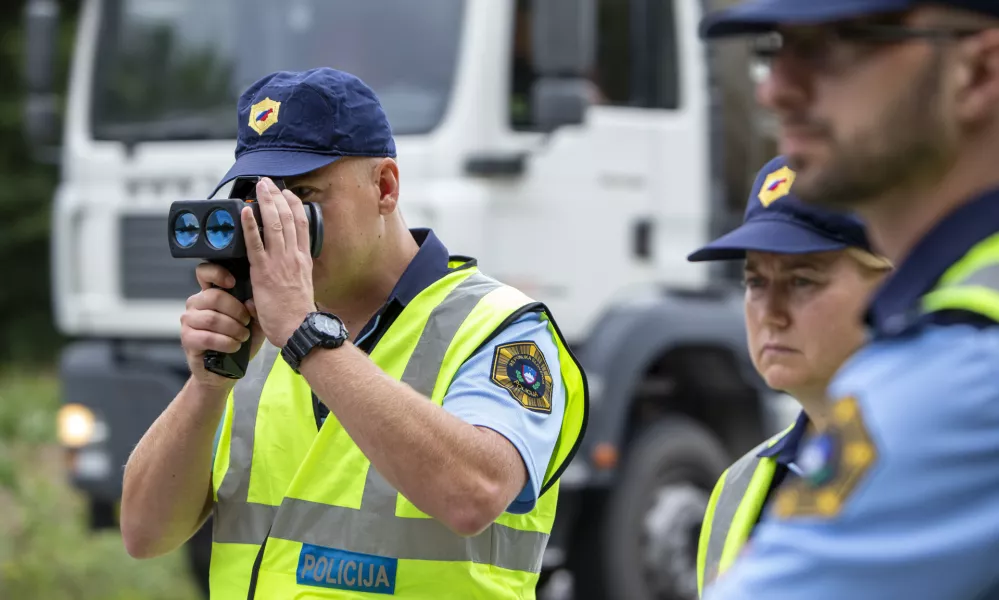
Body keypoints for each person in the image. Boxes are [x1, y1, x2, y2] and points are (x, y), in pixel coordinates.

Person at [119, 67, 588, 600]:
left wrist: (305, 335)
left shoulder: (497, 328)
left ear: (385, 187)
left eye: (304, 196)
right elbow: (144, 534)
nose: (282, 224)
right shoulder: (266, 336)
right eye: (262, 200)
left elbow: (474, 495)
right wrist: (209, 385)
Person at [694, 1, 999, 598]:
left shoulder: (965, 366)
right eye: (778, 47)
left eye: (841, 41)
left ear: (980, 73)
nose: (776, 89)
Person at [685, 155, 892, 596]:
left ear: (890, 286)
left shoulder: (948, 455)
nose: (771, 314)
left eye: (802, 281)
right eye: (756, 282)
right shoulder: (738, 486)